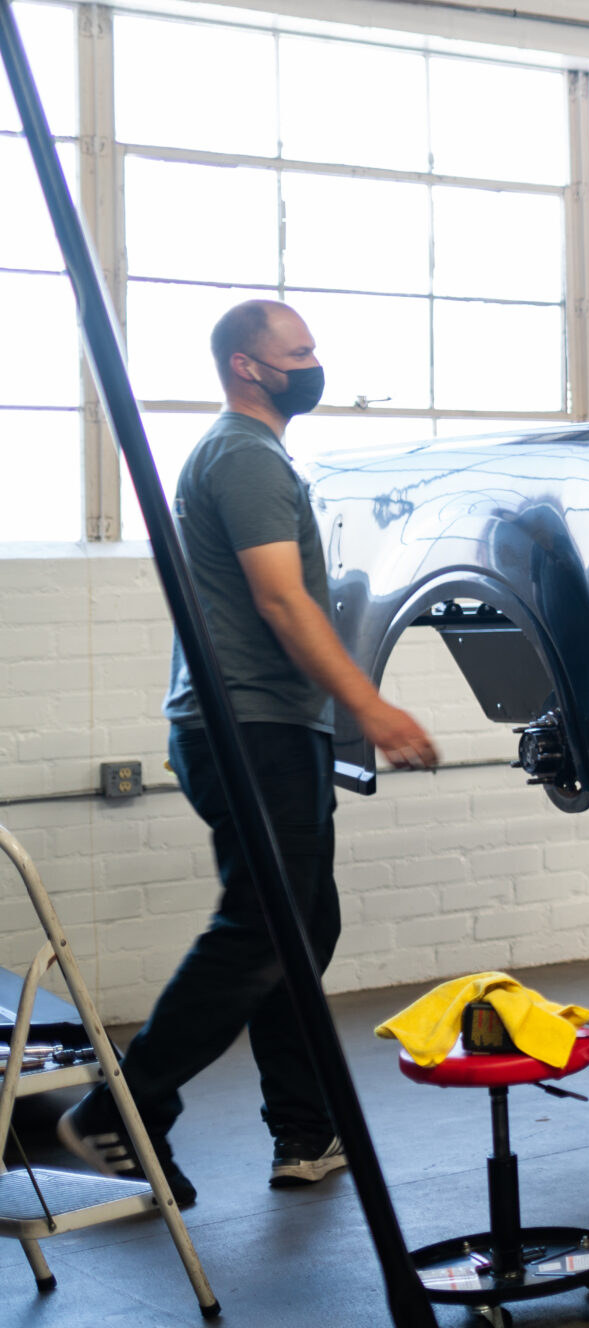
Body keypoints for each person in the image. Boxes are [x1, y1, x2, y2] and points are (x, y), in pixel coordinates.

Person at [58, 300, 440, 1206]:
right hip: (250, 726)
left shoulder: (254, 459)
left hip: (264, 724)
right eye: (297, 352)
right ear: (246, 367)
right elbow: (280, 600)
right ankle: (121, 1108)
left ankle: (304, 1135)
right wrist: (371, 707)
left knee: (302, 928)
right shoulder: (245, 457)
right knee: (267, 927)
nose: (314, 365)